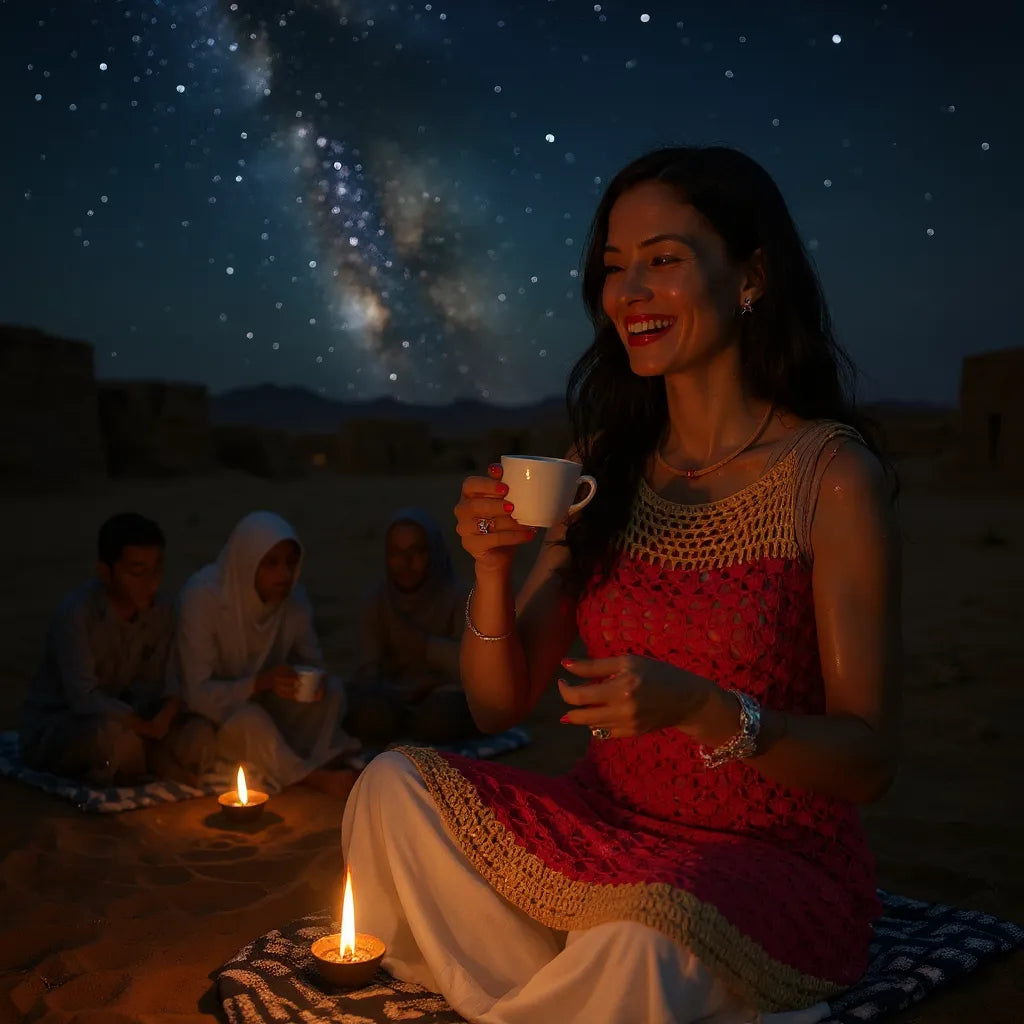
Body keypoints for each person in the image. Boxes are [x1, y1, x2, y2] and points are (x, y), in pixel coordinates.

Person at [342, 146, 902, 1023]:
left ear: (751, 274)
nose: (628, 292)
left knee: (640, 939)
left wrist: (704, 710)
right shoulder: (599, 468)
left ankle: (581, 978)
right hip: (604, 824)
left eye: (664, 260)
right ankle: (575, 985)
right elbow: (497, 707)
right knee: (391, 784)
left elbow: (869, 761)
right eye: (612, 268)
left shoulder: (827, 476)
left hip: (766, 857)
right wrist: (491, 569)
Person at [175, 510, 359, 798]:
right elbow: (195, 694)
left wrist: (309, 683)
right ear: (247, 563)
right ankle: (310, 777)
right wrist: (258, 684)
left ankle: (300, 759)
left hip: (268, 704)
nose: (284, 574)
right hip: (214, 717)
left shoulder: (294, 600)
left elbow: (313, 663)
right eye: (271, 564)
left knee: (333, 692)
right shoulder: (202, 598)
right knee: (250, 721)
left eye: (290, 563)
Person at [19, 513, 203, 787]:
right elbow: (84, 698)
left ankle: (147, 759)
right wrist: (139, 726)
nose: (151, 583)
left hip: (132, 716)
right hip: (67, 724)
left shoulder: (161, 611)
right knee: (114, 741)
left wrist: (166, 713)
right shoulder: (76, 615)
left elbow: (161, 681)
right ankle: (146, 763)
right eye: (138, 573)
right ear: (105, 572)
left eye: (157, 571)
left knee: (199, 737)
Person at [346, 508, 477, 746]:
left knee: (442, 716)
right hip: (393, 699)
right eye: (397, 553)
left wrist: (425, 648)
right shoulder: (376, 603)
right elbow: (367, 672)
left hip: (445, 696)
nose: (406, 563)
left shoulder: (460, 599)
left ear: (433, 553)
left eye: (416, 552)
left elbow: (474, 670)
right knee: (367, 713)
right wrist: (395, 690)